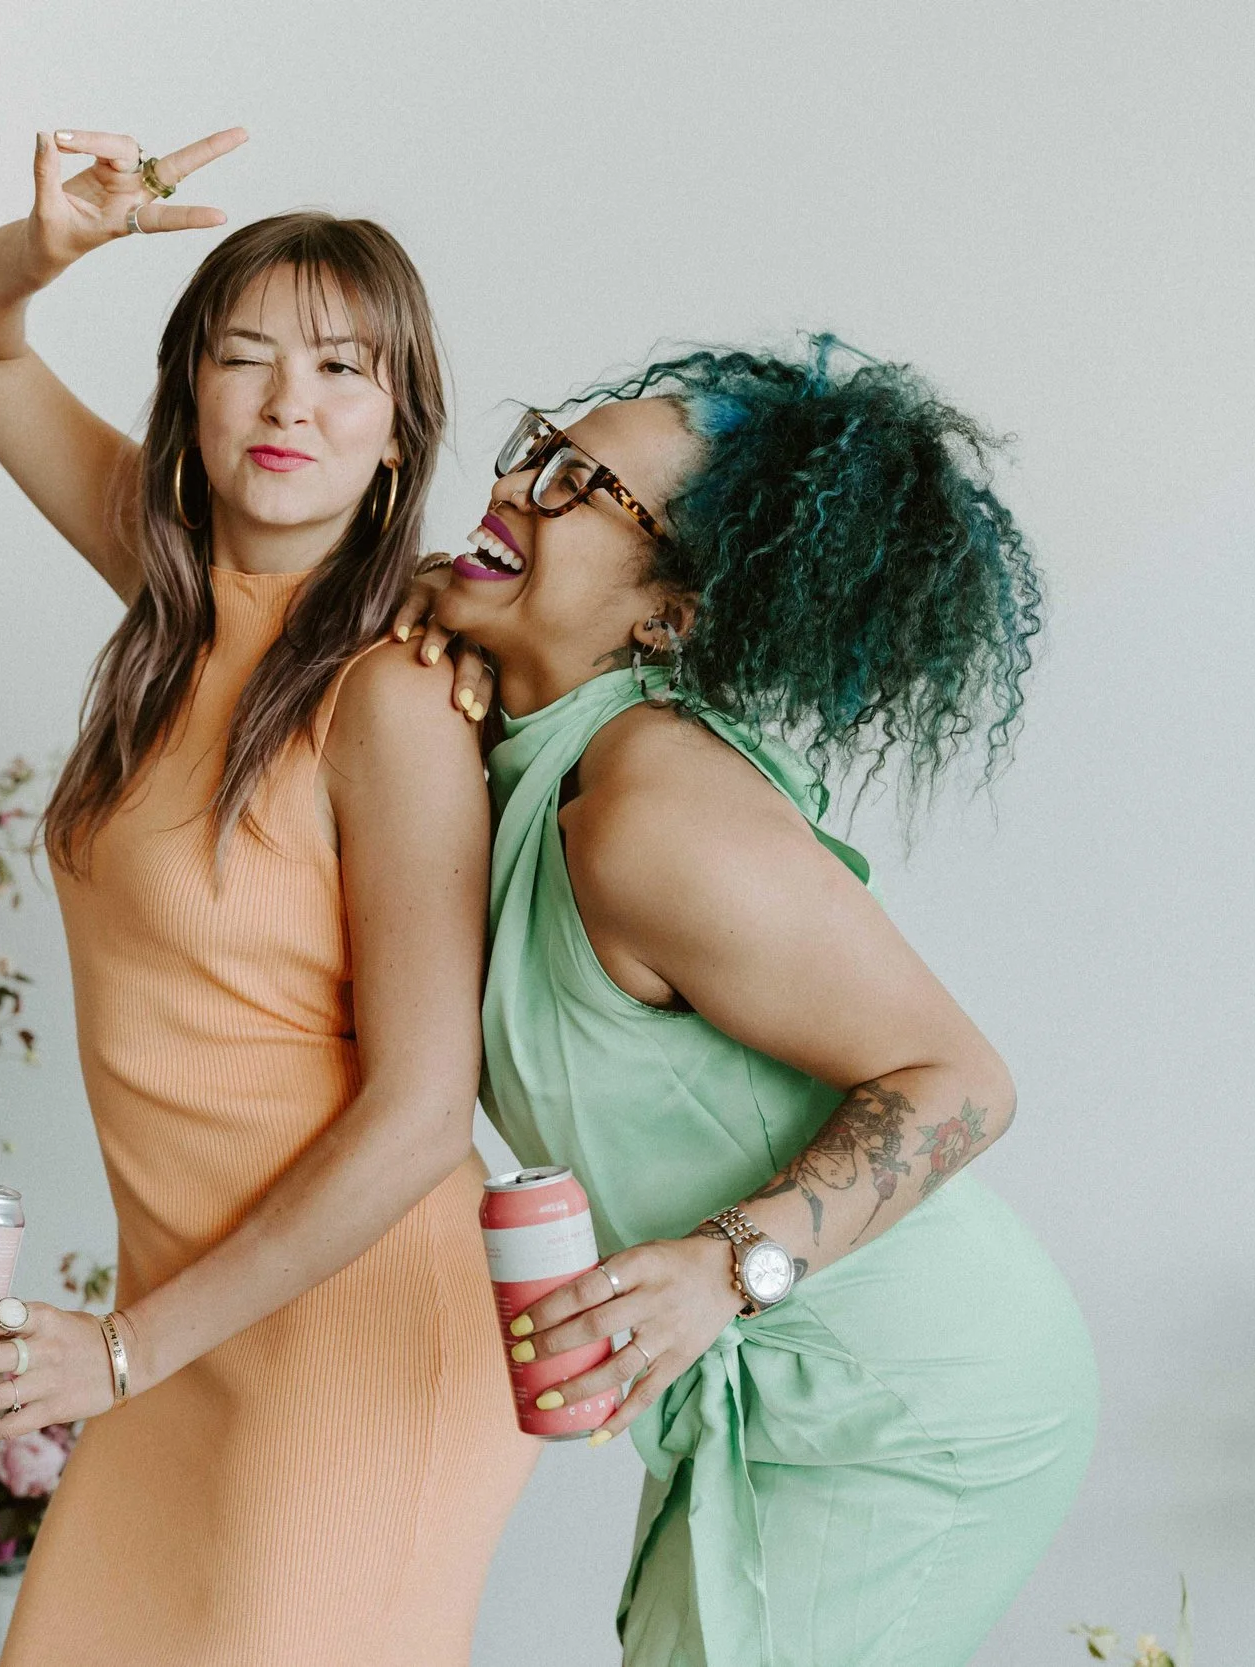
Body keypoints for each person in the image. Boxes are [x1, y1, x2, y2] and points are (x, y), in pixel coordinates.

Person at [0, 127, 535, 1667]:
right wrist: (49, 246)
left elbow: (418, 1111)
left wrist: (121, 1350)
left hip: (347, 1329)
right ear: (191, 394)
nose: (287, 403)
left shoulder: (390, 697)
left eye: (340, 370)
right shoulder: (171, 589)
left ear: (399, 432)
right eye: (245, 358)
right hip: (175, 1328)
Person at [405, 341, 1096, 1664]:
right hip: (774, 1381)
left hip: (906, 1403)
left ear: (669, 616)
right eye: (541, 448)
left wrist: (731, 1266)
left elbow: (963, 1079)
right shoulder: (526, 746)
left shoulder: (652, 811)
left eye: (582, 485)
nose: (519, 491)